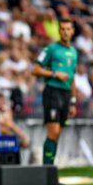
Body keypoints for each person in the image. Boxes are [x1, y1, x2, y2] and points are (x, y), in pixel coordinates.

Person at [32, 18, 78, 165]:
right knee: (53, 131)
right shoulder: (50, 49)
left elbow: (72, 78)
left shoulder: (74, 52)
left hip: (65, 95)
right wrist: (55, 74)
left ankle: (50, 168)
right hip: (52, 92)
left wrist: (73, 102)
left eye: (68, 29)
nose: (65, 32)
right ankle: (47, 169)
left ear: (72, 31)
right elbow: (35, 70)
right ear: (59, 31)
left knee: (57, 134)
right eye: (63, 29)